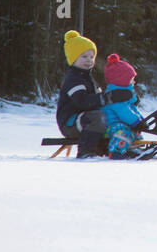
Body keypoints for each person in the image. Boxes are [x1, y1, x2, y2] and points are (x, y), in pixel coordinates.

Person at [55, 30, 131, 158]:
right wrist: (109, 97)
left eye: (91, 57)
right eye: (84, 57)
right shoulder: (73, 79)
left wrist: (120, 99)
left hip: (84, 119)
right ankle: (86, 151)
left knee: (109, 117)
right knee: (97, 117)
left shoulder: (88, 78)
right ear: (73, 58)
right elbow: (82, 101)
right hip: (69, 123)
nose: (89, 60)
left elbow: (98, 100)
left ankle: (115, 148)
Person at [100, 54, 144, 159]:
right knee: (124, 131)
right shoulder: (115, 96)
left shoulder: (125, 95)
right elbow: (124, 112)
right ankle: (115, 152)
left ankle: (135, 148)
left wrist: (141, 120)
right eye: (131, 79)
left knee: (135, 132)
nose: (134, 82)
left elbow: (132, 110)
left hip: (118, 125)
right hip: (109, 127)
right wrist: (136, 121)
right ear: (122, 81)